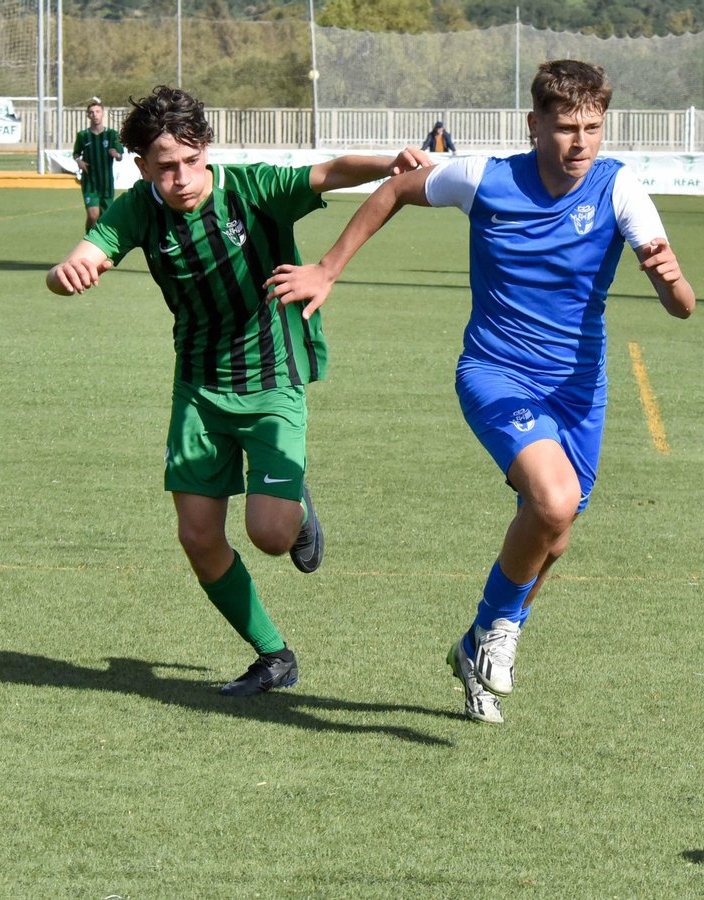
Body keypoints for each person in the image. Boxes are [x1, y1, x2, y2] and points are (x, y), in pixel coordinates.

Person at [261, 60, 695, 725]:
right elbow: (395, 191)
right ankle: (500, 630)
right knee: (555, 501)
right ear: (535, 125)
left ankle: (474, 647)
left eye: (593, 127)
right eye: (566, 127)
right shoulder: (487, 178)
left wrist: (669, 280)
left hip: (579, 390)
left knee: (555, 533)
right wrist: (327, 267)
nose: (580, 143)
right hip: (495, 374)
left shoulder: (619, 189)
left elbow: (683, 306)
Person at [44, 86, 434, 697]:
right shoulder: (136, 209)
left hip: (271, 378)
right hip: (198, 388)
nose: (182, 179)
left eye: (192, 161)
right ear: (141, 166)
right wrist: (64, 273)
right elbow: (84, 255)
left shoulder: (249, 189)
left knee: (271, 536)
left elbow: (327, 171)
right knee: (198, 536)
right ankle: (274, 655)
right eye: (165, 167)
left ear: (208, 151)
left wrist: (388, 164)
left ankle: (295, 502)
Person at [73, 100, 121, 231]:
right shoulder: (83, 135)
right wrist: (79, 161)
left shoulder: (111, 134)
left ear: (103, 114)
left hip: (106, 183)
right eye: (91, 112)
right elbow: (76, 153)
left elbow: (120, 156)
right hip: (90, 181)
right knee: (93, 215)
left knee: (105, 217)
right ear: (88, 115)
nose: (95, 115)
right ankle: (89, 238)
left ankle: (102, 244)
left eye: (97, 112)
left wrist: (116, 155)